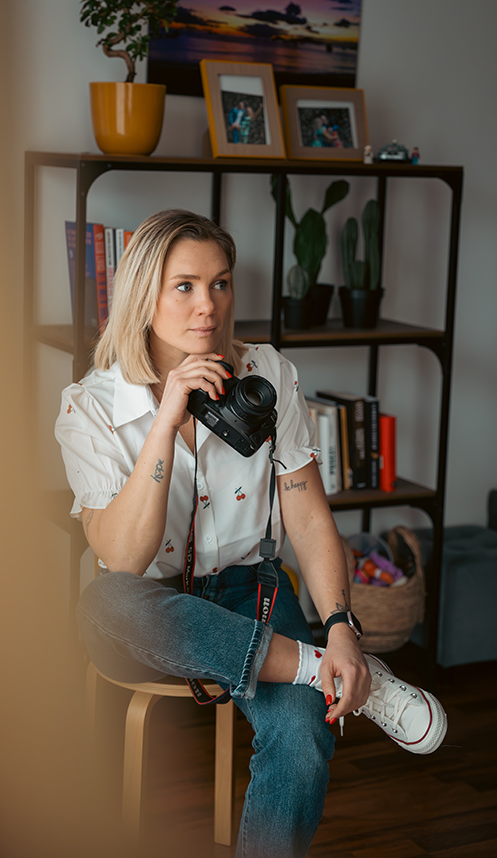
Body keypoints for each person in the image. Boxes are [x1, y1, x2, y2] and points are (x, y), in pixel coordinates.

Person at [55, 209, 447, 858]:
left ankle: (326, 662)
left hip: (249, 592)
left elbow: (308, 515)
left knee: (302, 733)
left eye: (220, 283)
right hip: (148, 611)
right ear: (143, 294)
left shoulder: (267, 377)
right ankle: (328, 672)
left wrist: (341, 626)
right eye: (184, 286)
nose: (208, 305)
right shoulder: (90, 407)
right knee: (105, 599)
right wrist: (165, 420)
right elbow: (123, 557)